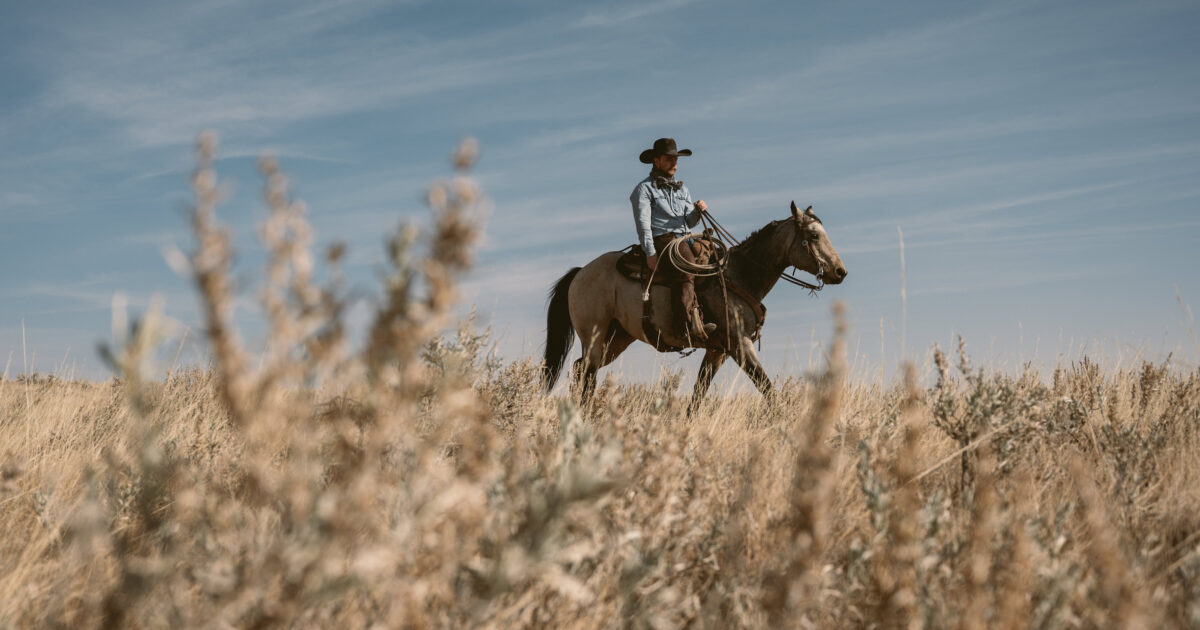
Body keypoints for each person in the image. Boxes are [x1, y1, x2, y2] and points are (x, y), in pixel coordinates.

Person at [630, 137, 717, 344]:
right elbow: (643, 224)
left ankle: (714, 314)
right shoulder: (644, 190)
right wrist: (650, 252)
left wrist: (698, 211)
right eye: (669, 159)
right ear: (656, 161)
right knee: (687, 268)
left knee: (716, 258)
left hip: (685, 237)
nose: (675, 165)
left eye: (676, 160)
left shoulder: (682, 189)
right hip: (664, 239)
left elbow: (688, 221)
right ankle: (685, 326)